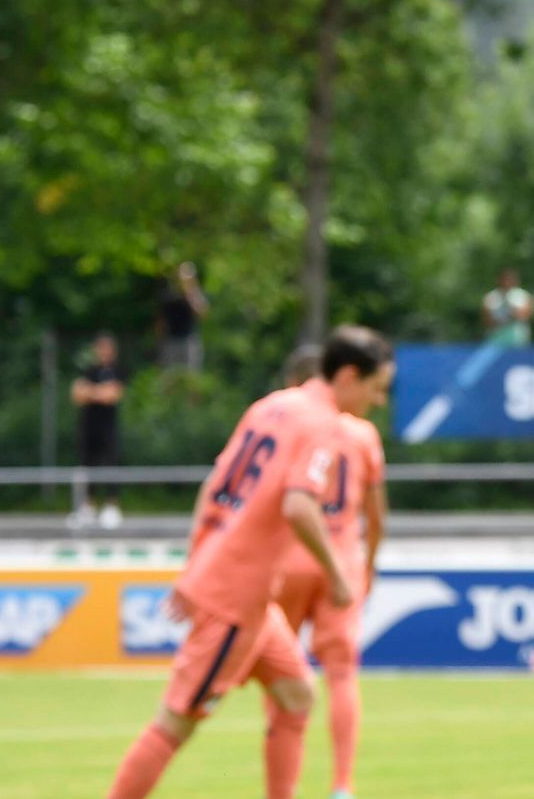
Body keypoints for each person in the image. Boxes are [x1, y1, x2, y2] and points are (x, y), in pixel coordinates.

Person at [106, 329, 391, 799]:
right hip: (236, 598)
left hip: (250, 596)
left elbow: (213, 488)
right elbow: (300, 506)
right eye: (377, 387)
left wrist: (194, 564)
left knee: (297, 692)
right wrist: (341, 575)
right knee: (175, 723)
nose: (378, 400)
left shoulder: (272, 406)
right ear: (347, 375)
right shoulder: (323, 424)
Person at [271, 331, 395, 799]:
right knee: (341, 674)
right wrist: (370, 563)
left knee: (282, 674)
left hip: (289, 559)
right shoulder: (361, 432)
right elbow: (376, 515)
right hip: (340, 561)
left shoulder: (290, 422)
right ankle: (342, 785)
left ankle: (284, 784)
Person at [72, 333, 126, 529]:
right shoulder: (89, 370)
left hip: (108, 427)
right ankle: (88, 505)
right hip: (88, 426)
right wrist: (99, 391)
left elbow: (112, 395)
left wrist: (90, 392)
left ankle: (111, 505)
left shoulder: (117, 370)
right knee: (87, 465)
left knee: (111, 464)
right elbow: (77, 394)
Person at [158, 262, 209, 370]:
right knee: (170, 374)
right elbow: (161, 321)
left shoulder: (196, 294)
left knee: (190, 375)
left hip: (188, 339)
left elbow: (202, 313)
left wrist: (189, 293)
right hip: (171, 339)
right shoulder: (169, 295)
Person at [481, 267, 534, 347]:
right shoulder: (491, 297)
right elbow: (485, 319)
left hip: (518, 337)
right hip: (496, 336)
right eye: (505, 279)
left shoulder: (522, 295)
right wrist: (499, 320)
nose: (507, 282)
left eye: (510, 279)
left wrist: (513, 312)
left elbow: (527, 315)